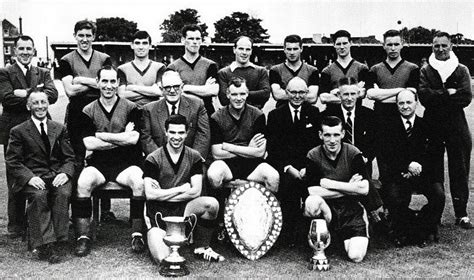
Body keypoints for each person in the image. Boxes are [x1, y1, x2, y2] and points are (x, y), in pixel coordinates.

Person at [72, 66, 145, 257]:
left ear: (118, 83)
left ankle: (137, 234)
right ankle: (83, 237)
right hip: (99, 164)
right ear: (97, 83)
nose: (109, 86)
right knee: (83, 182)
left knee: (139, 182)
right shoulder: (88, 110)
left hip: (127, 163)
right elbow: (88, 143)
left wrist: (100, 136)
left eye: (113, 81)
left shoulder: (131, 107)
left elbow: (134, 139)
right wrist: (121, 137)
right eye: (104, 81)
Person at [6, 90, 75, 263]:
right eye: (35, 103)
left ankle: (61, 241)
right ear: (28, 106)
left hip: (55, 175)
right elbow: (13, 161)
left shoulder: (59, 128)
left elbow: (70, 158)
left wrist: (65, 173)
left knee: (63, 193)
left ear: (48, 104)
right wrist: (29, 178)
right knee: (39, 195)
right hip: (33, 177)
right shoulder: (18, 131)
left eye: (43, 102)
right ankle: (45, 245)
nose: (40, 106)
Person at [144, 114, 225, 263]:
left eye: (181, 132)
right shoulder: (153, 158)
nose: (177, 137)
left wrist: (162, 193)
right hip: (159, 213)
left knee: (211, 204)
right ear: (165, 132)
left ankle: (202, 246)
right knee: (163, 258)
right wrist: (181, 189)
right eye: (173, 132)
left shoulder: (194, 157)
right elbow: (150, 195)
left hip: (184, 210)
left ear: (187, 133)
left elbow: (195, 191)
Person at [0, 35, 58, 238]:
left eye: (29, 49)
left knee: (41, 169)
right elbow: (6, 98)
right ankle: (15, 225)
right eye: (21, 48)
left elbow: (52, 94)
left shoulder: (42, 71)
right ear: (15, 51)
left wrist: (24, 93)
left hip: (41, 128)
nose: (25, 52)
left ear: (34, 51)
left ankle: (41, 218)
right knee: (16, 174)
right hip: (14, 129)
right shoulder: (5, 72)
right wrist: (36, 91)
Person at [208, 77, 279, 239]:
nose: (238, 98)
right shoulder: (216, 117)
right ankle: (220, 222)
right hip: (227, 165)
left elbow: (259, 152)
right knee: (213, 175)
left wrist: (229, 146)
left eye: (242, 94)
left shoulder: (258, 115)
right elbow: (217, 153)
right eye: (234, 94)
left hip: (252, 165)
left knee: (273, 177)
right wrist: (248, 148)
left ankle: (267, 222)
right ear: (227, 94)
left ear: (247, 94)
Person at [57, 20, 114, 221]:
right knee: (77, 157)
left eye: (88, 35)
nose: (84, 39)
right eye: (80, 35)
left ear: (94, 37)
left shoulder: (104, 58)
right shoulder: (66, 60)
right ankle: (78, 208)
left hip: (102, 109)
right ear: (75, 36)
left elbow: (109, 86)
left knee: (105, 152)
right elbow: (70, 90)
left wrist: (80, 79)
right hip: (77, 114)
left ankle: (106, 210)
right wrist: (97, 84)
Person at [419, 31, 473, 229]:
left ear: (451, 46)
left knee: (459, 168)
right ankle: (436, 212)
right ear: (432, 47)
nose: (440, 49)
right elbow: (424, 96)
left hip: (456, 124)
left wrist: (438, 96)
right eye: (436, 46)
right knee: (433, 169)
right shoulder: (426, 69)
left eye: (444, 45)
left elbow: (466, 96)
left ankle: (461, 213)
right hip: (432, 125)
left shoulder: (461, 69)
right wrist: (447, 93)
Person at [379, 89, 445, 246]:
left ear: (416, 103)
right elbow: (386, 154)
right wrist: (406, 166)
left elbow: (436, 152)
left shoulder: (428, 124)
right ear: (396, 105)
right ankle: (403, 230)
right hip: (399, 174)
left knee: (438, 197)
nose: (405, 106)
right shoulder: (388, 126)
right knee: (394, 197)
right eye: (401, 103)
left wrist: (419, 167)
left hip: (425, 174)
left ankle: (421, 228)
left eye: (409, 102)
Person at [304, 116, 369, 263]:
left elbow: (364, 189)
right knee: (312, 202)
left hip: (351, 211)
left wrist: (329, 183)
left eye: (336, 135)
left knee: (356, 256)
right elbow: (313, 191)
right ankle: (326, 237)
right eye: (327, 135)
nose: (332, 140)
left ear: (343, 134)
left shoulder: (353, 153)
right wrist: (350, 187)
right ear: (320, 135)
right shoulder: (313, 155)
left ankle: (348, 234)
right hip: (327, 211)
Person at [322, 77, 384, 231]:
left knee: (360, 167)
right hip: (335, 162)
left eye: (353, 94)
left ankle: (363, 213)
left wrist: (366, 156)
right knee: (360, 177)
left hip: (361, 161)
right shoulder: (328, 115)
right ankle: (375, 210)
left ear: (358, 95)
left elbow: (375, 142)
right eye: (345, 94)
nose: (349, 98)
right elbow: (326, 141)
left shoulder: (369, 115)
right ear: (339, 96)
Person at [266, 77, 321, 245]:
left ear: (306, 93)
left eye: (301, 92)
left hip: (308, 165)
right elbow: (274, 148)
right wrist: (288, 168)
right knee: (289, 187)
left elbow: (317, 145)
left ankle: (311, 232)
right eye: (293, 92)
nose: (297, 96)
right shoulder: (275, 115)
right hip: (284, 165)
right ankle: (288, 233)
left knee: (312, 187)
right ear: (286, 93)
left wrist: (306, 167)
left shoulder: (314, 113)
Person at [366, 29, 419, 201]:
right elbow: (371, 94)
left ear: (402, 45)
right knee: (384, 165)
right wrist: (400, 92)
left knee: (403, 163)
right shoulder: (375, 69)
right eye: (389, 44)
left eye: (396, 44)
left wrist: (383, 93)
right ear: (383, 46)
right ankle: (387, 208)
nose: (393, 48)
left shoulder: (412, 68)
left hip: (402, 120)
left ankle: (402, 208)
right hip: (380, 121)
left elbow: (411, 93)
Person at [141, 70, 210, 158]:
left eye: (176, 86)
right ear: (162, 90)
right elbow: (146, 139)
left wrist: (192, 160)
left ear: (182, 87)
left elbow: (203, 136)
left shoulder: (197, 104)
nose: (172, 91)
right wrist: (162, 160)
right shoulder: (149, 110)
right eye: (168, 87)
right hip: (160, 162)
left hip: (191, 160)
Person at [167, 24, 219, 117]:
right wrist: (203, 89)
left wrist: (185, 87)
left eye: (198, 39)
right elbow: (172, 93)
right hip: (182, 113)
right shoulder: (173, 67)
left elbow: (213, 90)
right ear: (183, 40)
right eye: (191, 39)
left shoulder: (210, 65)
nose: (195, 42)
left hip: (206, 112)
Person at [319, 30, 369, 111]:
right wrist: (354, 90)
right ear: (334, 45)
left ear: (351, 43)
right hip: (334, 115)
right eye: (338, 44)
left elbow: (363, 93)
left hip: (356, 115)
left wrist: (337, 92)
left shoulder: (362, 68)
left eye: (345, 43)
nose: (342, 47)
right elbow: (323, 98)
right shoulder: (327, 71)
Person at [217, 36, 270, 109]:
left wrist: (235, 94)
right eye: (241, 49)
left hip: (255, 116)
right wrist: (254, 95)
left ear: (251, 51)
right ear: (234, 50)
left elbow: (265, 94)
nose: (244, 52)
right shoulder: (223, 73)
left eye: (247, 49)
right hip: (230, 117)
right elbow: (224, 99)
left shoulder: (261, 71)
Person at [117, 30, 165, 108]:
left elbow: (160, 92)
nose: (141, 47)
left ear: (150, 46)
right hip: (130, 112)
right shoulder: (122, 69)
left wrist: (132, 87)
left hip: (153, 111)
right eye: (137, 43)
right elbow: (122, 95)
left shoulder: (160, 67)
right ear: (132, 45)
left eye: (145, 43)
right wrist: (151, 91)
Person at [269, 34, 319, 108]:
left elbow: (312, 97)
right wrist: (302, 94)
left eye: (295, 49)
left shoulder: (312, 71)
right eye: (289, 49)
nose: (292, 53)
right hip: (282, 113)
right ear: (284, 49)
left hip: (306, 113)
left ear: (301, 49)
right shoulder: (275, 70)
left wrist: (287, 94)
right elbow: (277, 95)